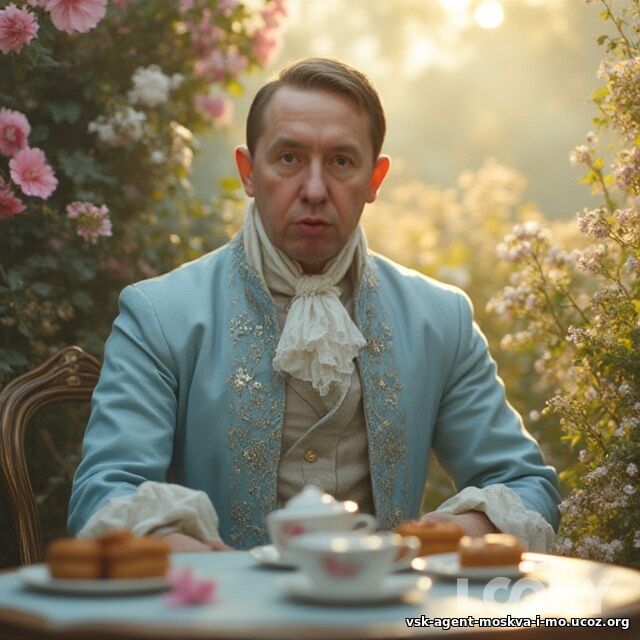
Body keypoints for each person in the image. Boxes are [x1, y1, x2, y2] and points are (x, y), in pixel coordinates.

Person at [68, 58, 560, 553]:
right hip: (219, 601)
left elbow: (525, 483)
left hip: (391, 602)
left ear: (375, 179)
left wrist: (455, 532)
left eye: (342, 162)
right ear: (248, 171)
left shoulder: (440, 317)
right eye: (289, 158)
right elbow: (105, 495)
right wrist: (214, 568)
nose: (315, 190)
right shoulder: (159, 313)